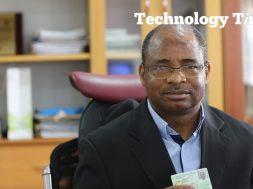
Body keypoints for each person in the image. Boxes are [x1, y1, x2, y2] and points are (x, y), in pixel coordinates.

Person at [73, 24, 253, 189]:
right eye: (161, 68)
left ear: (206, 73)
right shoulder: (102, 149)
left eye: (190, 66)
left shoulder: (246, 141)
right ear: (143, 75)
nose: (176, 79)